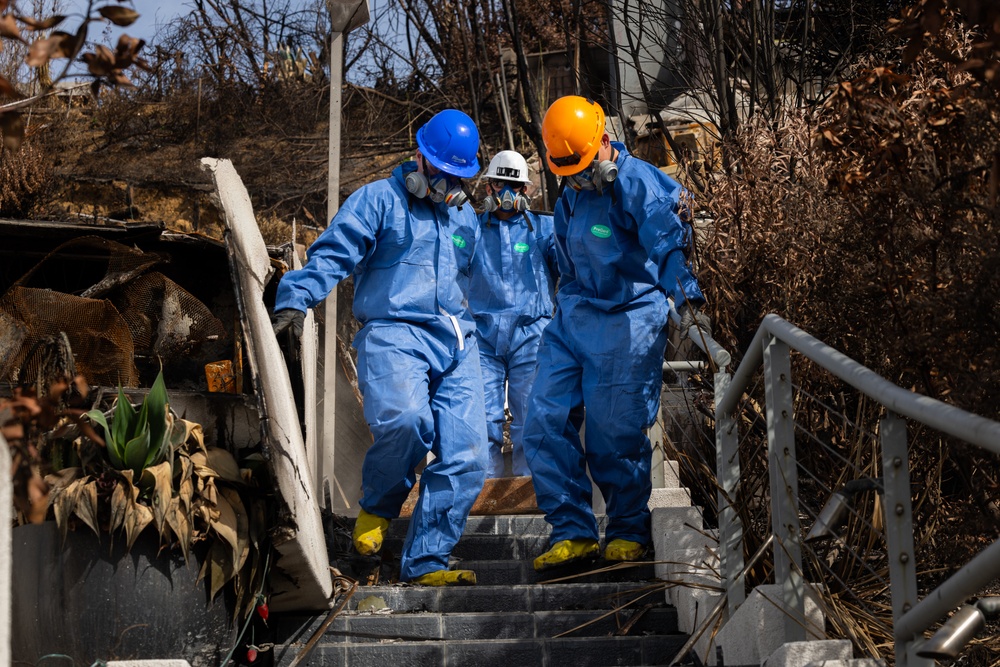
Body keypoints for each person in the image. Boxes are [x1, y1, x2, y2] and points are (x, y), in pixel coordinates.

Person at [271, 109, 488, 586]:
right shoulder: (378, 201)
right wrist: (296, 297)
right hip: (393, 334)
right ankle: (377, 509)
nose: (446, 185)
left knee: (471, 455)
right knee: (408, 423)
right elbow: (335, 251)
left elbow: (475, 277)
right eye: (440, 173)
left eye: (457, 178)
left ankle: (428, 562)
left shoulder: (464, 215)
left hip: (456, 340)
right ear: (419, 157)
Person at [523, 96, 711, 571]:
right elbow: (566, 262)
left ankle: (627, 528)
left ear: (604, 143)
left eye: (583, 167)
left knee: (614, 431)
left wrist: (687, 300)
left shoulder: (639, 183)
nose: (578, 178)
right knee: (543, 421)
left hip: (629, 316)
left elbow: (670, 242)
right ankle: (573, 531)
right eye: (567, 170)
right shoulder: (570, 197)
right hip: (575, 314)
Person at [467, 150, 558, 478]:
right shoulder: (472, 228)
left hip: (531, 333)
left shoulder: (543, 228)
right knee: (482, 417)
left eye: (514, 186)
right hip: (483, 336)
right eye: (500, 184)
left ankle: (528, 487)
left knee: (531, 414)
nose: (507, 194)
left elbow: (569, 262)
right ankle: (485, 490)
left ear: (526, 190)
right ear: (488, 187)